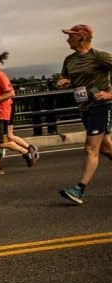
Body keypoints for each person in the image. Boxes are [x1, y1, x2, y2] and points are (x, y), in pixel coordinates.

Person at [56, 24, 112, 204]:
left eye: (70, 36)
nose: (67, 39)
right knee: (105, 148)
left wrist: (110, 94)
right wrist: (63, 81)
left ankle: (79, 189)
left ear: (81, 37)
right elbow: (63, 77)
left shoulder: (98, 56)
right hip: (84, 108)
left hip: (101, 106)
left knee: (91, 148)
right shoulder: (69, 59)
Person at [0, 52, 38, 176]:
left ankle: (26, 152)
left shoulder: (0, 76)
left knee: (2, 142)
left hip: (0, 113)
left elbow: (11, 93)